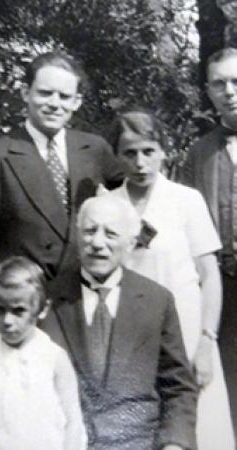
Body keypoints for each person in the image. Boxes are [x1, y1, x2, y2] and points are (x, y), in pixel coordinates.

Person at [0, 50, 123, 340]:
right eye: (45, 93)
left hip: (82, 303)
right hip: (22, 309)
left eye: (63, 96)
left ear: (76, 102)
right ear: (26, 93)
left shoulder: (95, 149)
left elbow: (134, 204)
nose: (54, 104)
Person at [109, 110, 234, 449]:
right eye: (130, 153)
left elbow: (209, 275)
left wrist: (207, 341)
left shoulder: (186, 200)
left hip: (188, 334)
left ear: (164, 151)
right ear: (117, 156)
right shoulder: (108, 204)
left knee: (201, 428)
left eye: (149, 151)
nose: (140, 162)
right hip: (131, 338)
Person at [40, 195, 198, 450]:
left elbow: (178, 388)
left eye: (111, 233)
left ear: (130, 242)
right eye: (90, 231)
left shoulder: (157, 301)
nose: (97, 243)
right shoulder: (47, 301)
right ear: (77, 235)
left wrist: (174, 444)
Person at [0, 256, 87, 450]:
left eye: (18, 311)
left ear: (42, 309)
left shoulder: (54, 359)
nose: (7, 321)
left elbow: (73, 423)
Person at [180, 47, 237, 434]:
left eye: (236, 81)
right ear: (208, 91)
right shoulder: (199, 154)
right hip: (222, 291)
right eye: (219, 83)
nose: (229, 91)